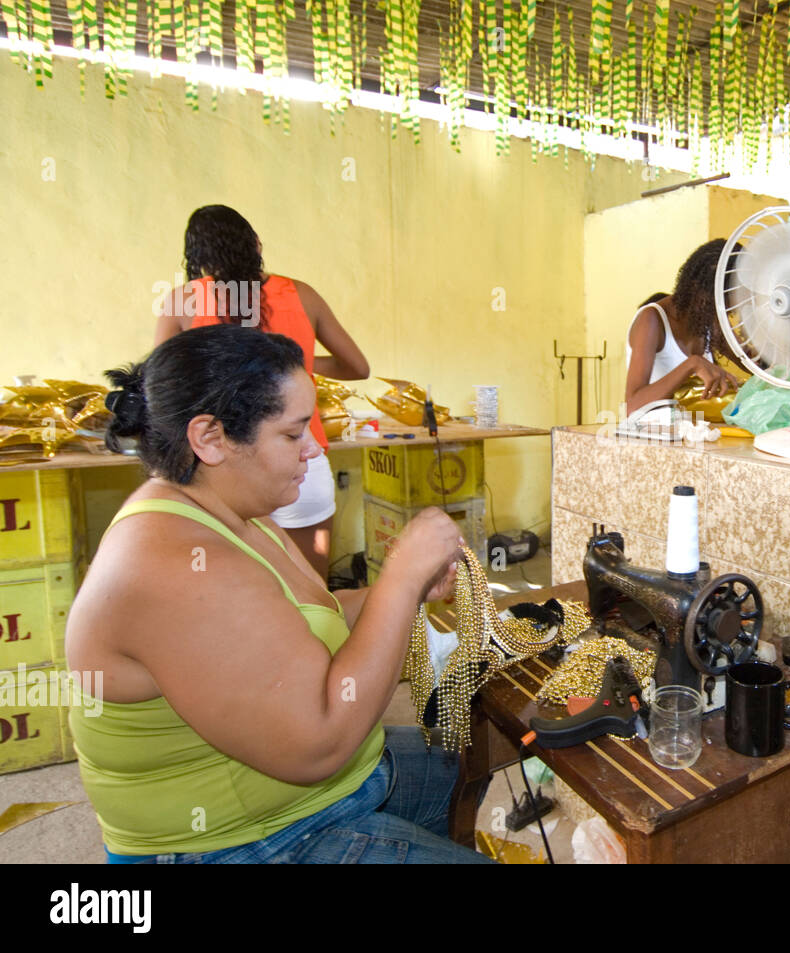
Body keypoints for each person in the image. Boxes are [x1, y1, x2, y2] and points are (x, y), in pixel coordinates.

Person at [66, 325, 489, 863]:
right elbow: (321, 744)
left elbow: (319, 616)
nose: (313, 449)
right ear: (211, 439)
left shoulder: (236, 515)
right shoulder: (175, 566)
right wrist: (402, 579)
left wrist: (404, 591)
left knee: (476, 751)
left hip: (320, 795)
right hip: (244, 841)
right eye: (292, 435)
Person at [155, 205, 370, 579]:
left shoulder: (182, 301)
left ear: (198, 256)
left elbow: (161, 390)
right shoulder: (301, 295)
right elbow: (358, 368)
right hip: (300, 460)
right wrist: (293, 362)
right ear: (255, 244)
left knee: (234, 591)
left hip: (222, 468)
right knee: (312, 591)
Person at [625, 239, 743, 415]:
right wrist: (692, 364)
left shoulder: (709, 321)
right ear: (698, 289)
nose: (725, 314)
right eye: (722, 303)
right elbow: (632, 406)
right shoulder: (651, 320)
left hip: (694, 436)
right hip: (653, 438)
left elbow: (752, 361)